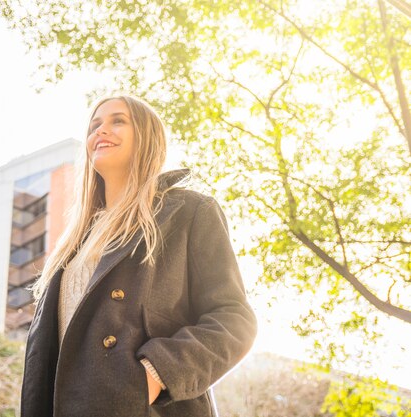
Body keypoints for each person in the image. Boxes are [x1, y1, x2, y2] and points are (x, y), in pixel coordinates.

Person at [20, 94, 257, 417]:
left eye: (118, 121)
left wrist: (156, 374)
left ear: (147, 137)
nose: (101, 131)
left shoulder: (188, 212)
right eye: (95, 125)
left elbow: (233, 319)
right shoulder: (75, 241)